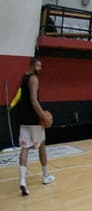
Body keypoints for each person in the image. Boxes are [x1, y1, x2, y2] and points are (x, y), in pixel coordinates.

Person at [16, 57, 55, 196]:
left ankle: (22, 181)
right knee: (42, 146)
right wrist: (43, 116)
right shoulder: (34, 79)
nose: (41, 68)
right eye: (39, 65)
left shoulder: (24, 77)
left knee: (25, 148)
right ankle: (45, 176)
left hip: (23, 117)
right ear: (32, 65)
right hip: (34, 118)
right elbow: (34, 101)